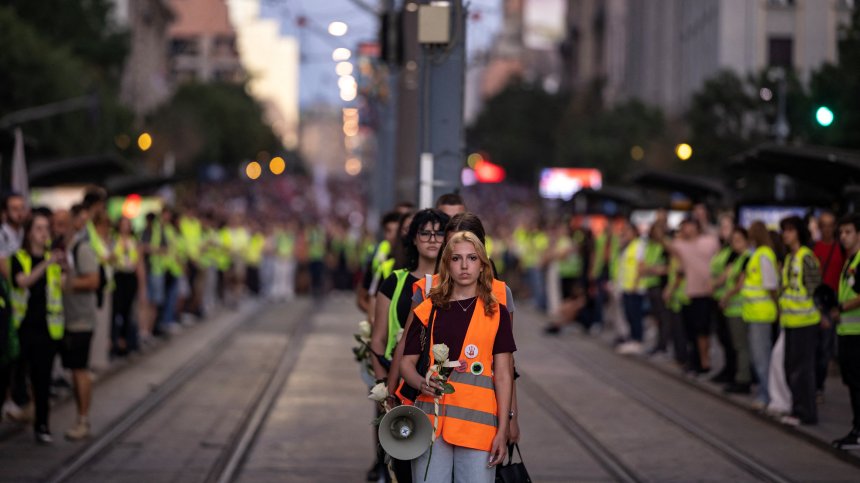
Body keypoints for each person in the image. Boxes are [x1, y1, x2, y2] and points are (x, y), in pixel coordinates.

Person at [400, 231, 515, 482]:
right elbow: (406, 364)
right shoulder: (428, 309)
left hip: (479, 427)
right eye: (457, 258)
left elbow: (504, 375)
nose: (464, 266)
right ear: (447, 264)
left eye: (472, 258)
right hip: (432, 423)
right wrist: (421, 382)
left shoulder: (497, 312)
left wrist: (503, 430)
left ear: (482, 265)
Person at [370, 208, 449, 483]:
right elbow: (378, 339)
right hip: (402, 385)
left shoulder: (459, 284)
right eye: (425, 232)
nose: (432, 239)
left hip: (446, 391)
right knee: (405, 467)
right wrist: (384, 388)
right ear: (413, 239)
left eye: (439, 233)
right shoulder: (396, 281)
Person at [10, 211, 65, 443]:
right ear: (29, 233)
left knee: (42, 380)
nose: (44, 233)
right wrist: (47, 262)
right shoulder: (19, 258)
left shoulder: (52, 260)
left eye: (46, 229)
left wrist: (64, 265)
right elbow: (23, 282)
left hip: (48, 328)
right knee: (18, 376)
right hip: (22, 328)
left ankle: (42, 425)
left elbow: (62, 286)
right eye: (39, 229)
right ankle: (20, 408)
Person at [62, 203, 102, 441]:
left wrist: (64, 284)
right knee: (72, 370)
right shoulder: (62, 248)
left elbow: (93, 281)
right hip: (63, 319)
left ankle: (83, 420)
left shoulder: (82, 248)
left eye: (62, 223)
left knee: (79, 370)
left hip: (81, 320)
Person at [778, 216, 821, 426]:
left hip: (806, 321)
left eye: (790, 230)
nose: (786, 234)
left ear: (799, 233)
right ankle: (797, 408)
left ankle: (806, 412)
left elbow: (815, 289)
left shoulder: (806, 257)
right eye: (784, 230)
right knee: (791, 368)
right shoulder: (789, 258)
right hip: (791, 321)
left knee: (802, 370)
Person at [665, 218, 720, 374]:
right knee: (690, 331)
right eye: (683, 228)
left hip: (707, 293)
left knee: (703, 330)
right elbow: (665, 244)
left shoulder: (710, 241)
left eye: (688, 227)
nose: (686, 230)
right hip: (689, 293)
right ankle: (695, 361)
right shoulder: (680, 245)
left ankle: (705, 363)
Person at [742, 221, 779, 409]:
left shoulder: (763, 255)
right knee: (759, 356)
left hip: (762, 313)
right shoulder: (757, 254)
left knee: (762, 357)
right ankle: (764, 393)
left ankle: (766, 395)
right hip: (754, 313)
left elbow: (771, 285)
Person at [831, 215, 860, 449]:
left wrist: (840, 308)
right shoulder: (850, 261)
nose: (843, 237)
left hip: (857, 331)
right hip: (848, 330)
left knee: (857, 382)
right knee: (852, 381)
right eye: (841, 233)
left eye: (848, 232)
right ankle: (857, 428)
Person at [813, 210, 843, 400]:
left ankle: (819, 386)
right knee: (813, 347)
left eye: (830, 225)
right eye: (823, 224)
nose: (826, 229)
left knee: (825, 348)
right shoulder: (813, 247)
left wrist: (837, 307)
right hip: (814, 301)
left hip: (831, 303)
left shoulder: (841, 249)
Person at [721, 228, 753, 394]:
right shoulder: (737, 258)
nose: (735, 243)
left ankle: (743, 379)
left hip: (740, 308)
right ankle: (740, 375)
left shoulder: (747, 258)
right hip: (733, 309)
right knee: (737, 345)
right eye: (733, 240)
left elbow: (740, 284)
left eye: (739, 239)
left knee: (741, 346)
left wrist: (726, 297)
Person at [111, 217, 144, 356]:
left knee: (128, 310)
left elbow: (139, 264)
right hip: (118, 276)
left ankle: (126, 341)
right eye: (123, 224)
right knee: (116, 309)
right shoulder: (114, 239)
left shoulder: (134, 242)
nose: (125, 227)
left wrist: (142, 285)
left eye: (127, 225)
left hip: (130, 278)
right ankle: (116, 341)